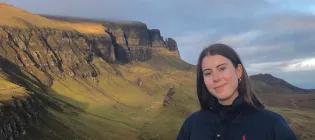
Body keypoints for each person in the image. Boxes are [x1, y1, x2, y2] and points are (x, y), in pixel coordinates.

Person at [176, 44, 297, 140]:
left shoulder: (272, 124)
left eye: (222, 68)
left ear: (238, 71)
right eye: (208, 73)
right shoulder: (192, 124)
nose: (216, 78)